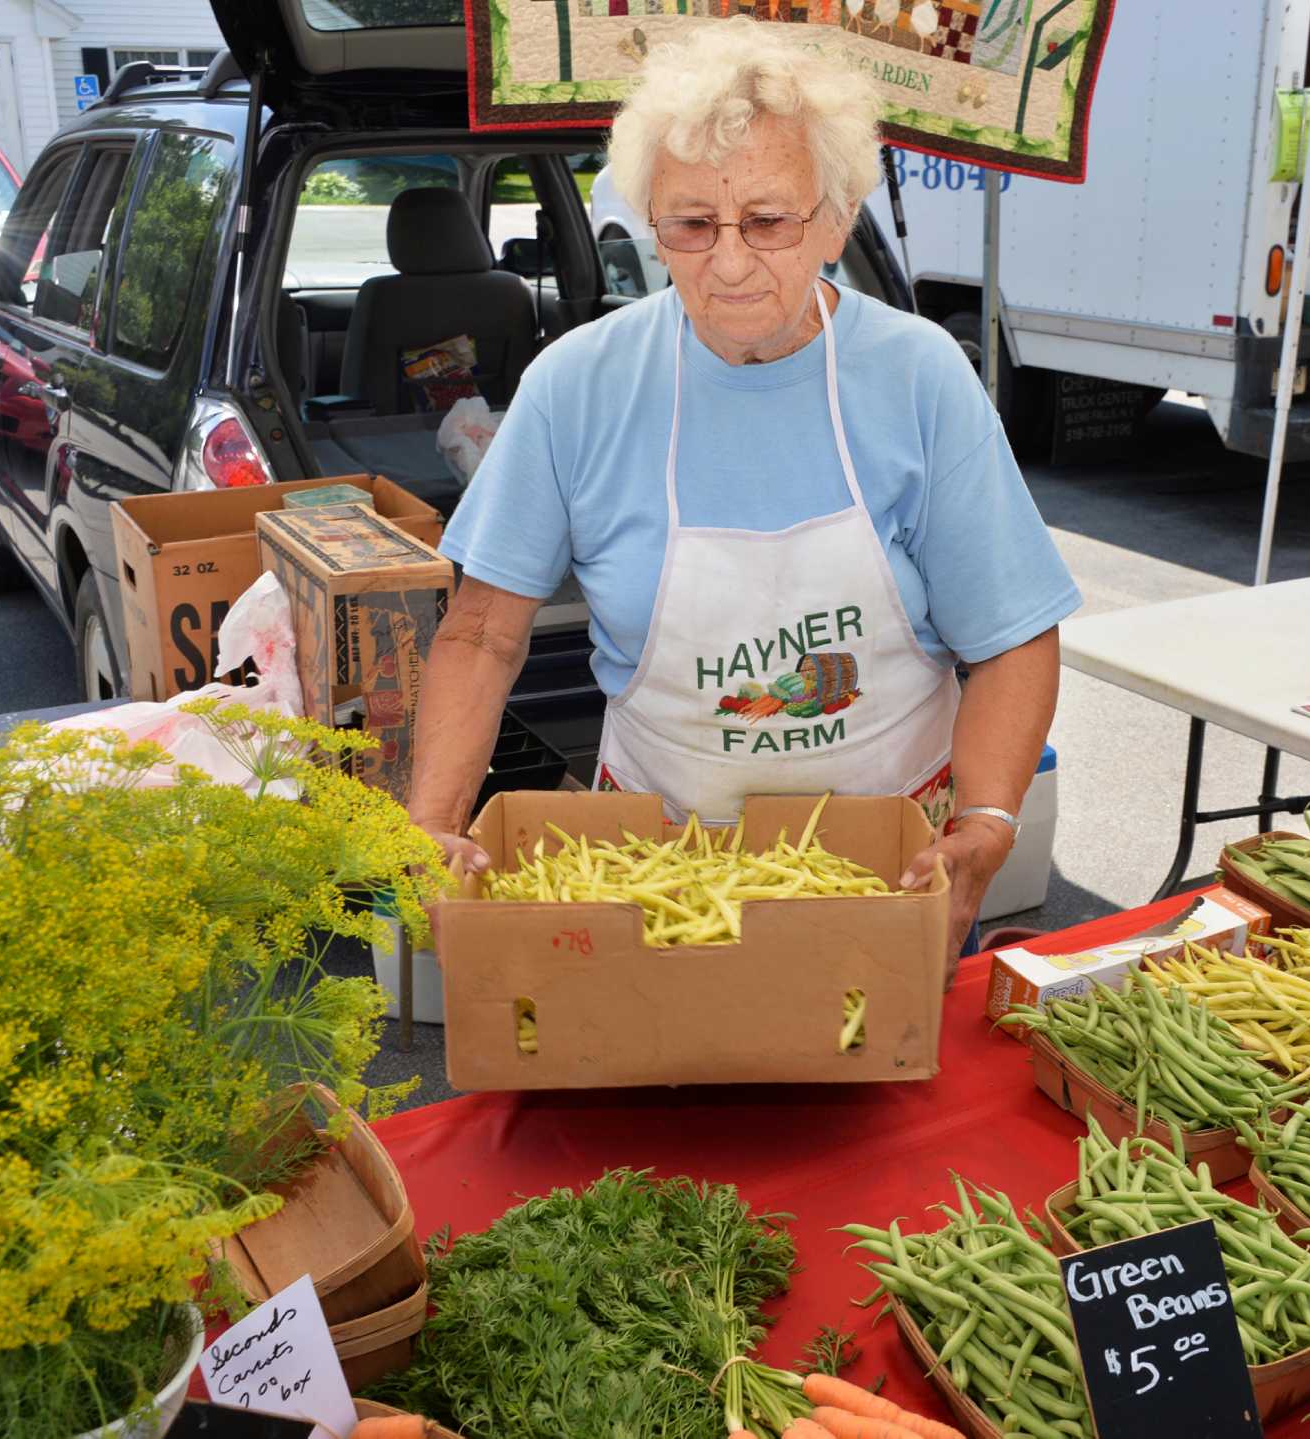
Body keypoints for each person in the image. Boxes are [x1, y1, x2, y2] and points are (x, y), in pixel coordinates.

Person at [409, 17, 1079, 960]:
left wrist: (989, 820)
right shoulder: (577, 385)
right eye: (691, 222)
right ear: (652, 222)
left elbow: (1011, 634)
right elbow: (481, 634)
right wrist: (433, 824)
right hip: (650, 879)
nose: (728, 261)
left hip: (886, 880)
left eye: (767, 220)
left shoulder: (919, 374)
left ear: (837, 218)